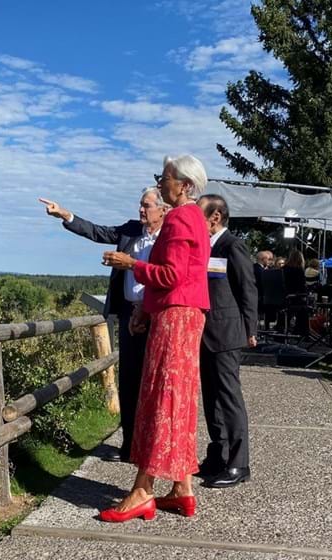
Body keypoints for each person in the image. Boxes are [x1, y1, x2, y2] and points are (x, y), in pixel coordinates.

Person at [99, 154, 211, 522]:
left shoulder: (180, 218)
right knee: (177, 397)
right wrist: (143, 311)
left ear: (185, 186)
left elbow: (171, 275)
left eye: (165, 178)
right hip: (181, 314)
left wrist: (131, 265)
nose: (160, 184)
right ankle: (182, 487)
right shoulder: (194, 218)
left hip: (176, 318)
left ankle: (142, 490)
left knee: (160, 398)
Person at [39, 188, 168, 463]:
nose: (141, 210)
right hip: (128, 315)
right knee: (129, 380)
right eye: (140, 205)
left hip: (157, 318)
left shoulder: (170, 237)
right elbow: (98, 232)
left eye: (146, 205)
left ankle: (154, 446)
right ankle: (130, 445)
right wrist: (65, 214)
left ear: (162, 209)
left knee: (156, 383)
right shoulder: (131, 230)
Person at [196, 194, 257, 488]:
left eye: (199, 215)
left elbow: (247, 287)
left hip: (227, 332)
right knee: (211, 399)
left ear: (215, 217)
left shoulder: (232, 245)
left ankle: (238, 463)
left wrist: (250, 328)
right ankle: (217, 457)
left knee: (229, 399)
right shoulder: (203, 247)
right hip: (204, 334)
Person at [283, 249, 308, 335]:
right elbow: (302, 287)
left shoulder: (282, 269)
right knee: (304, 308)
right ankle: (301, 332)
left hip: (280, 299)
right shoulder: (298, 270)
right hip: (293, 299)